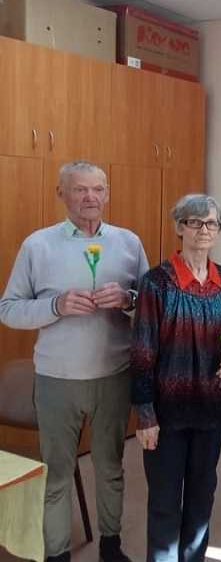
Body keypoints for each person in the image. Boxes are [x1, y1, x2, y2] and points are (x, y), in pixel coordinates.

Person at [0, 160, 148, 562]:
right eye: (80, 189)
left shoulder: (129, 243)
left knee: (111, 468)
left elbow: (150, 311)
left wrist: (128, 300)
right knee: (57, 473)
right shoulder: (38, 245)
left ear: (107, 194)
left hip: (113, 376)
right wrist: (56, 305)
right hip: (56, 379)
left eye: (98, 189)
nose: (90, 197)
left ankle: (111, 546)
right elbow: (9, 310)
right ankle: (57, 553)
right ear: (61, 194)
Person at [130, 194, 221, 562]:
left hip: (211, 409)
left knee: (201, 498)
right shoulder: (155, 283)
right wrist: (145, 415)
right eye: (195, 222)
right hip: (167, 414)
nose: (204, 229)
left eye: (212, 223)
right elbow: (142, 352)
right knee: (164, 503)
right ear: (180, 227)